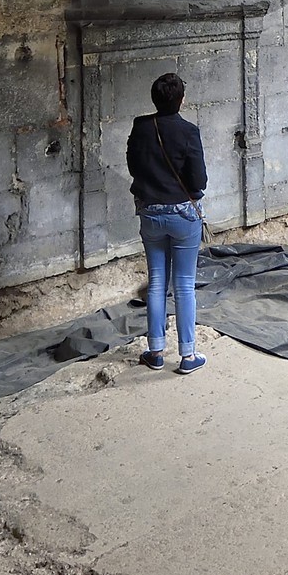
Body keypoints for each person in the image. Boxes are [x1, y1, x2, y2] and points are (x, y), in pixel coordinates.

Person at [126, 71, 209, 373]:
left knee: (157, 281)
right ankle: (188, 356)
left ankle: (155, 351)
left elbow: (134, 166)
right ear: (181, 100)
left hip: (150, 212)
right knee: (184, 284)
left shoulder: (141, 127)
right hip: (183, 215)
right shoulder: (189, 131)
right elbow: (199, 179)